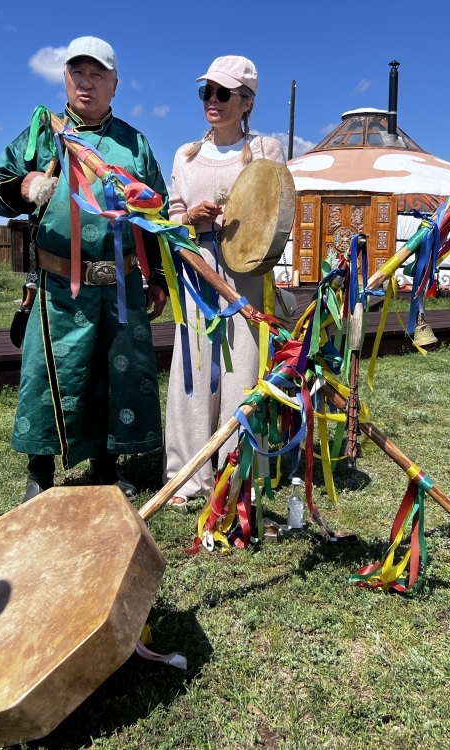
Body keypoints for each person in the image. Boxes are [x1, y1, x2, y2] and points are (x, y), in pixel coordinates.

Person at [0, 36, 169, 502]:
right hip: (59, 285)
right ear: (65, 79)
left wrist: (158, 277)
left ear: (114, 84)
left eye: (97, 74)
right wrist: (23, 186)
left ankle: (107, 466)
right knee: (49, 374)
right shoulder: (41, 135)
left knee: (116, 372)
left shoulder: (134, 144)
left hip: (121, 283)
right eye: (77, 73)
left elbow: (156, 213)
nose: (86, 83)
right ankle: (40, 472)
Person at [163, 55, 286, 505]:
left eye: (222, 93)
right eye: (206, 92)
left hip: (246, 273)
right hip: (198, 269)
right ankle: (187, 475)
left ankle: (239, 474)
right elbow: (172, 216)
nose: (211, 100)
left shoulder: (266, 151)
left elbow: (276, 207)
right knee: (193, 369)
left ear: (246, 101)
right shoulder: (186, 155)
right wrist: (190, 219)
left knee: (242, 370)